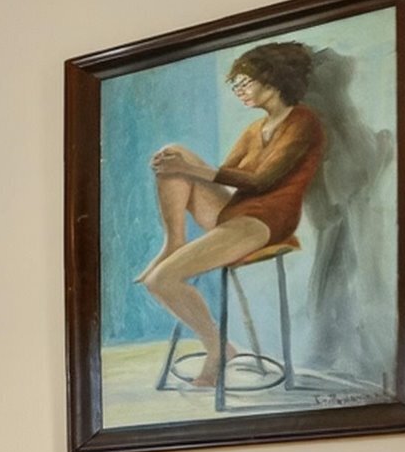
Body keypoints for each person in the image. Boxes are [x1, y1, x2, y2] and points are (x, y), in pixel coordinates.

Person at [138, 41, 324, 389]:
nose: (238, 88)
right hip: (236, 210)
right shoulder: (255, 129)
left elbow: (262, 181)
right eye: (236, 83)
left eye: (245, 81)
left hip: (265, 221)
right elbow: (225, 173)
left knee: (159, 281)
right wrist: (183, 165)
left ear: (272, 80)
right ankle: (173, 241)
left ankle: (218, 348)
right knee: (172, 152)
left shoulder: (303, 122)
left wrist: (196, 168)